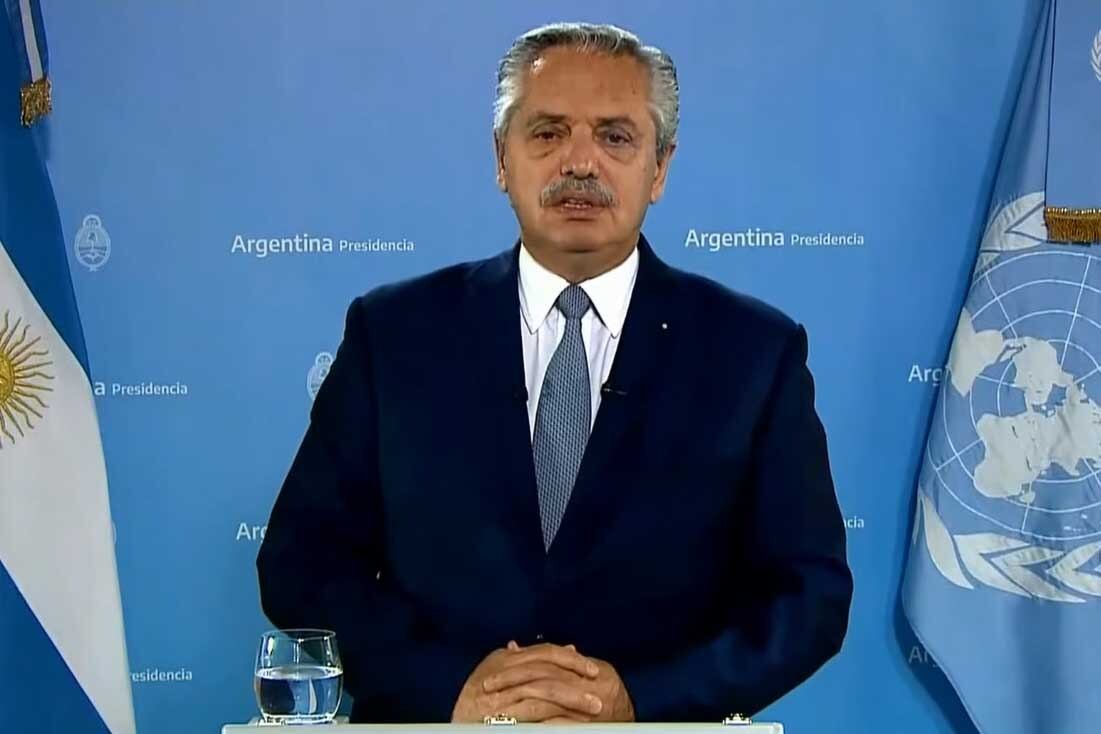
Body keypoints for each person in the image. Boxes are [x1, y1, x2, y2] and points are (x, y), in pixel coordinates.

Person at [257, 21, 852, 724]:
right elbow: (303, 561)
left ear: (658, 168)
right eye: (546, 133)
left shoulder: (753, 352)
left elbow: (806, 594)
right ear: (500, 160)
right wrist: (451, 688)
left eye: (615, 136)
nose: (580, 162)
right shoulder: (393, 334)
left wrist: (641, 699)